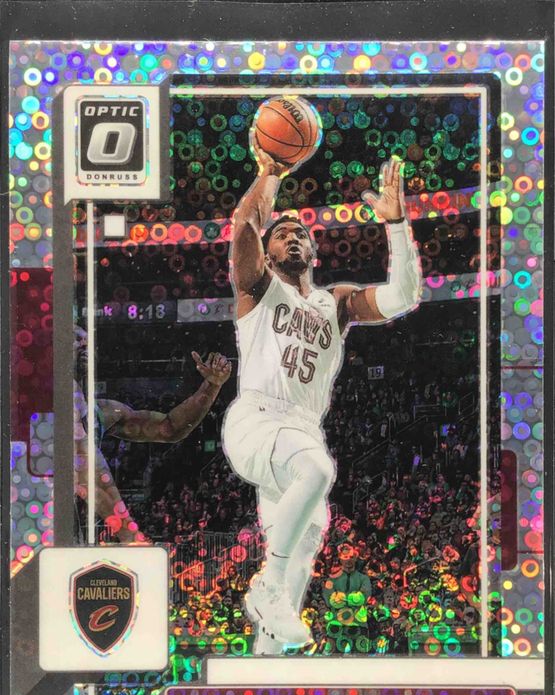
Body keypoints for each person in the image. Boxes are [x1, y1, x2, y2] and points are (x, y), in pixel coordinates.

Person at [222, 136, 421, 654]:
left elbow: (405, 297)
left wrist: (397, 226)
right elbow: (244, 226)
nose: (291, 237)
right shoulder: (258, 288)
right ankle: (266, 584)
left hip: (302, 429)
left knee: (304, 546)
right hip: (258, 420)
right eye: (281, 234)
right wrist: (270, 173)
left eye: (300, 234)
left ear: (313, 252)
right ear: (268, 252)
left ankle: (266, 666)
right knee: (317, 471)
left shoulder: (337, 304)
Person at [73, 325, 231, 543]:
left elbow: (169, 428)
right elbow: (87, 471)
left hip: (71, 534)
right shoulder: (47, 415)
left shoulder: (102, 412)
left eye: (87, 341)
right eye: (75, 338)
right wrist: (131, 537)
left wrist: (211, 386)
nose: (83, 344)